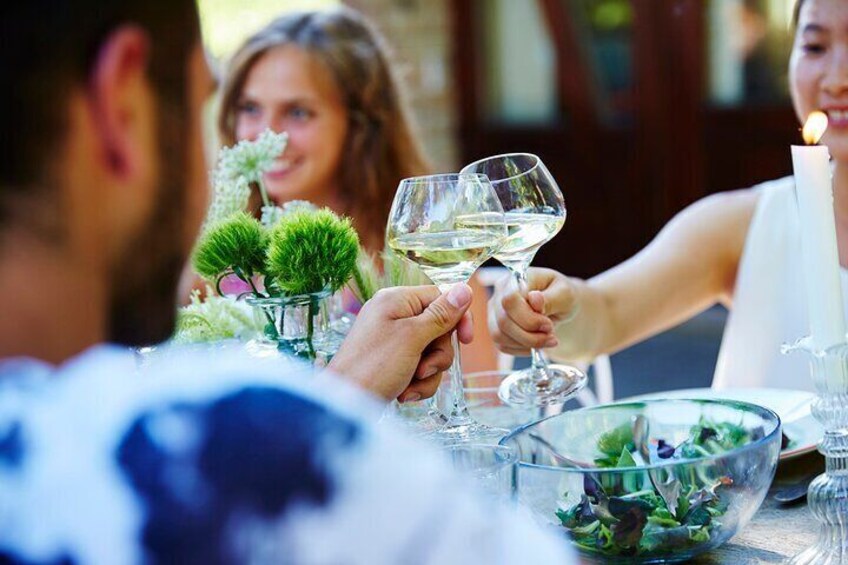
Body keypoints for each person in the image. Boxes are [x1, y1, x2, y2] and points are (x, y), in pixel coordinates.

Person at [0, 1, 573, 562]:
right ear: (119, 107)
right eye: (234, 107)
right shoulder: (218, 435)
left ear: (361, 123)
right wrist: (330, 404)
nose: (260, 140)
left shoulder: (64, 457)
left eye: (298, 112)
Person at [489, 0, 843, 392]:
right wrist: (554, 308)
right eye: (815, 47)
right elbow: (607, 314)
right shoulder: (746, 225)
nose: (837, 78)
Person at [215, 8, 499, 373]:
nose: (267, 134)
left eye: (298, 112)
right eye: (250, 108)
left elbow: (481, 401)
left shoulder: (428, 254)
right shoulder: (221, 256)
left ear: (361, 125)